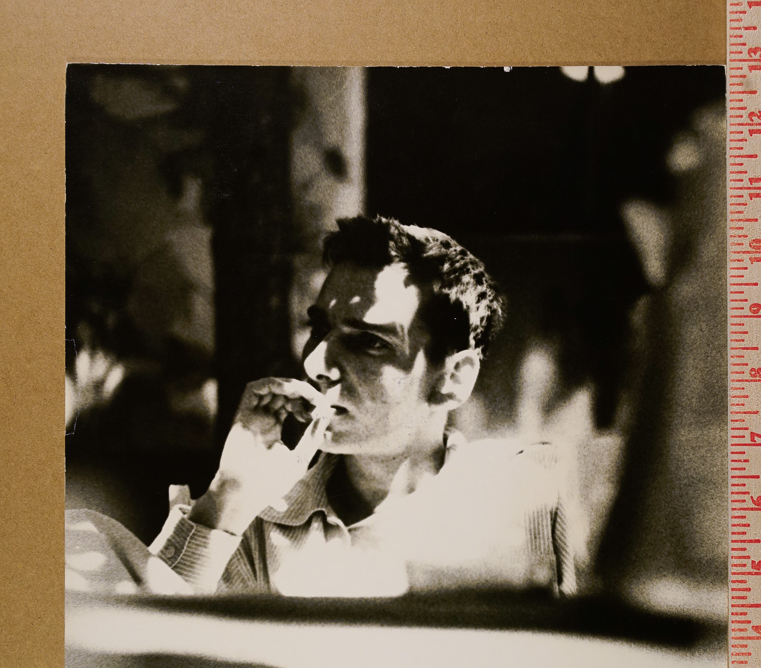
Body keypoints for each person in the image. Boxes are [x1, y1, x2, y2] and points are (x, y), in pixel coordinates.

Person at [150, 215, 576, 597]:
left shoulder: (521, 499)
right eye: (319, 328)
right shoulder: (254, 520)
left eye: (369, 342)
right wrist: (225, 499)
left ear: (453, 378)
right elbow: (153, 644)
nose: (315, 364)